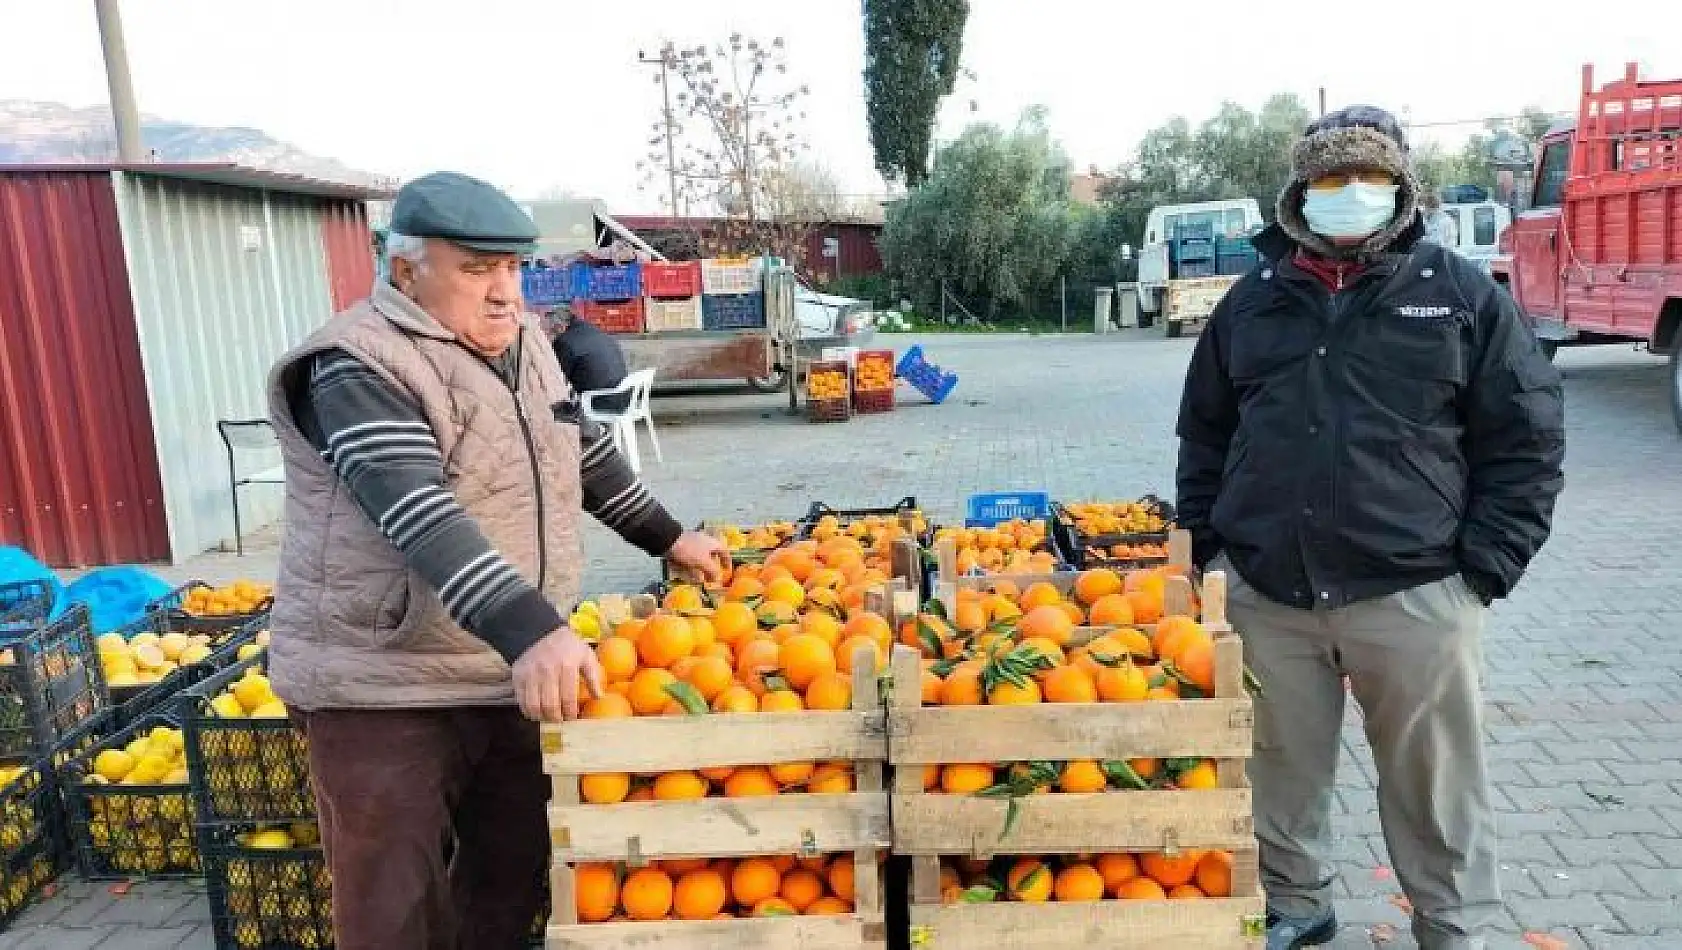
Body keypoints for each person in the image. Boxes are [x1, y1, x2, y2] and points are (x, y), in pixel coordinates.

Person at [264, 171, 727, 950]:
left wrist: (668, 537)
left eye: (512, 268)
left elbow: (579, 454)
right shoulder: (355, 364)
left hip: (503, 677)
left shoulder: (528, 346)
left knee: (509, 886)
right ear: (405, 271)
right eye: (476, 270)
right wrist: (532, 630)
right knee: (394, 910)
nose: (504, 292)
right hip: (383, 685)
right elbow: (417, 509)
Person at [1174, 107, 1565, 950]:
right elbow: (1204, 432)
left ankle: (1450, 923)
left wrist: (1485, 566)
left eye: (1368, 178)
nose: (1349, 194)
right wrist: (1208, 549)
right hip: (1271, 591)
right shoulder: (1254, 303)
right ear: (1299, 197)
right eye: (1329, 180)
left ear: (1400, 190)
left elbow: (1527, 434)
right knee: (1278, 766)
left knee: (1436, 780)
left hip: (1416, 588)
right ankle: (1298, 904)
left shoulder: (1458, 294)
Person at [551, 301, 632, 414]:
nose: (552, 333)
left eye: (553, 330)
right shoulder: (593, 330)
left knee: (551, 409)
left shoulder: (564, 342)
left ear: (560, 326)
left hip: (601, 402)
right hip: (625, 398)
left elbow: (557, 379)